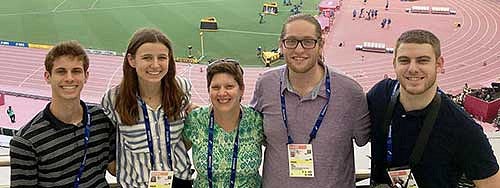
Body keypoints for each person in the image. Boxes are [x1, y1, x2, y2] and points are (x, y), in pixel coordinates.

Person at [250, 13, 370, 188]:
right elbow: (251, 129)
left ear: (320, 45)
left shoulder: (351, 92)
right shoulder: (265, 84)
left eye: (308, 41)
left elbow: (364, 138)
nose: (299, 50)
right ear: (281, 45)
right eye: (291, 41)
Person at [368, 29, 500, 187]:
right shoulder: (380, 95)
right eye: (404, 60)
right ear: (394, 63)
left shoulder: (463, 128)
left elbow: (491, 184)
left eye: (422, 60)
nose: (412, 68)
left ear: (439, 64)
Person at [10, 41, 115, 187]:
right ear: (47, 76)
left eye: (76, 71)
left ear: (86, 76)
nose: (69, 78)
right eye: (61, 71)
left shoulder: (101, 119)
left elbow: (115, 168)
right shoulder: (26, 142)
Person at [101, 28, 194, 187]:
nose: (155, 65)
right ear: (131, 60)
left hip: (179, 181)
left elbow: (187, 137)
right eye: (147, 58)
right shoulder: (114, 99)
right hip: (137, 184)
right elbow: (106, 144)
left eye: (162, 58)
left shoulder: (182, 90)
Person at [184, 58, 264, 187]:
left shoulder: (256, 121)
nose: (222, 93)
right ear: (208, 90)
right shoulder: (195, 120)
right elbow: (174, 151)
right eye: (215, 87)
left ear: (241, 89)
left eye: (229, 86)